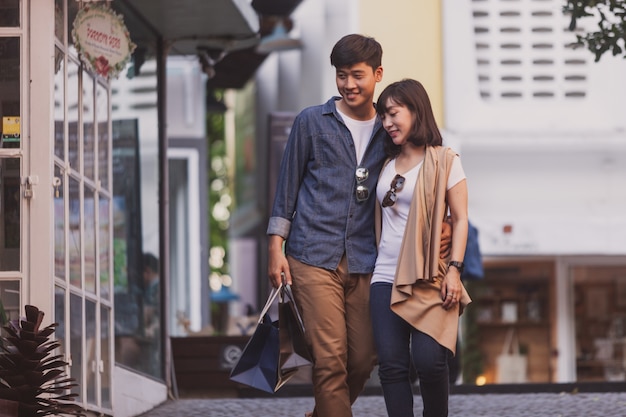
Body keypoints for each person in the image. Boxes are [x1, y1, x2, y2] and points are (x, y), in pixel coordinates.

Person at [267, 34, 452, 417]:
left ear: (377, 74)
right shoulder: (311, 123)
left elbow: (421, 175)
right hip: (312, 255)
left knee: (363, 359)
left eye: (357, 75)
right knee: (330, 360)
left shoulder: (390, 134)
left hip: (369, 260)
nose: (348, 84)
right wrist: (275, 247)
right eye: (341, 75)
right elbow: (286, 188)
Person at [370, 78, 472, 417]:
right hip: (384, 276)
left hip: (430, 274)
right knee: (392, 368)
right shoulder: (384, 164)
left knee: (430, 362)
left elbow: (460, 219)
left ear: (416, 110)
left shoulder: (445, 159)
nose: (387, 123)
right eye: (383, 116)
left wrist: (454, 270)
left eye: (393, 113)